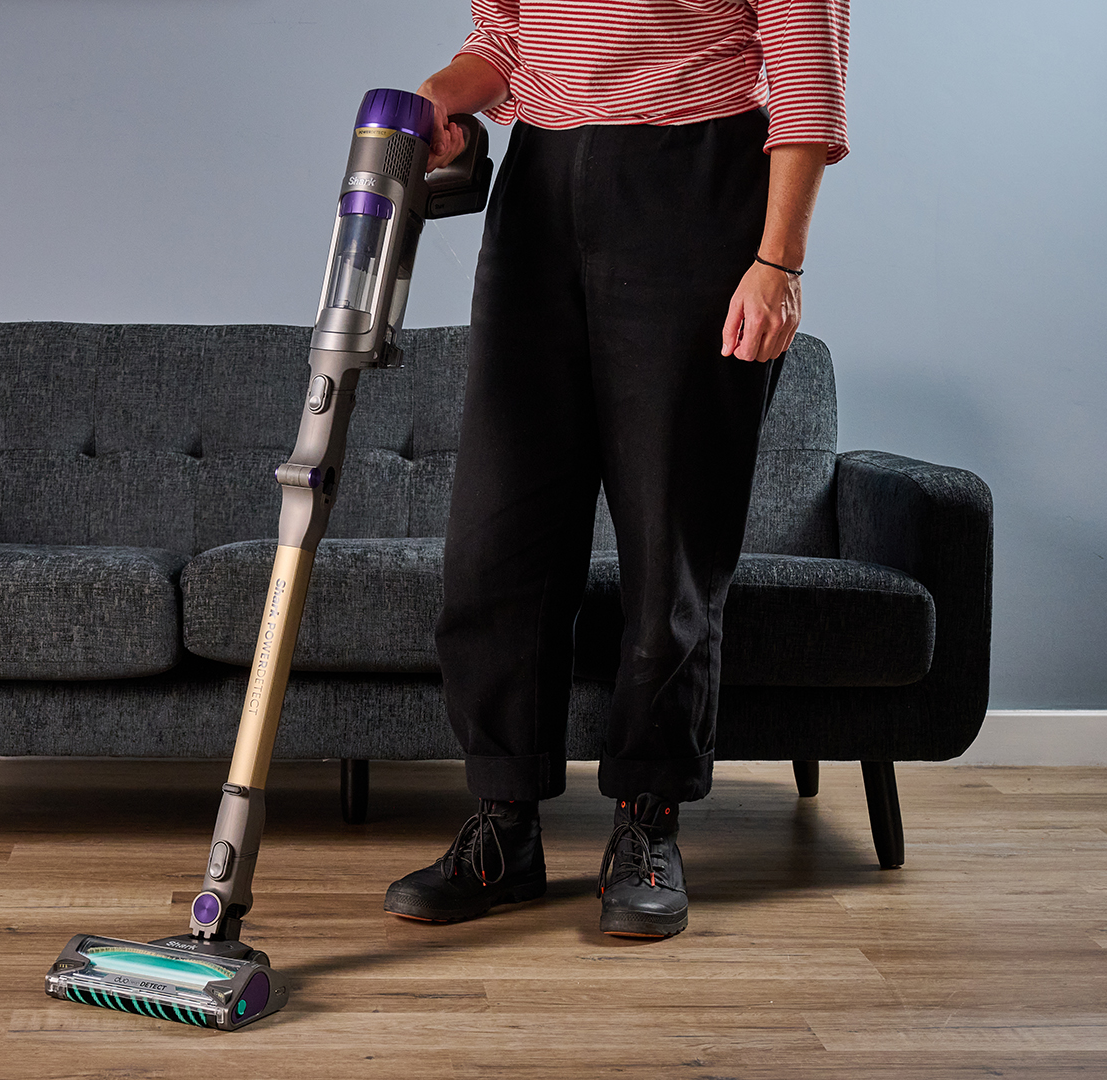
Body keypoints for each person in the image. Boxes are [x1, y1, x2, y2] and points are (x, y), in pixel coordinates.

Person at [384, 0, 849, 938]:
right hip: (541, 189)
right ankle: (503, 828)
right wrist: (440, 93)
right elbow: (507, 38)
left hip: (698, 181)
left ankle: (647, 820)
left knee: (669, 532)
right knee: (497, 536)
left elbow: (806, 74)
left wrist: (779, 261)